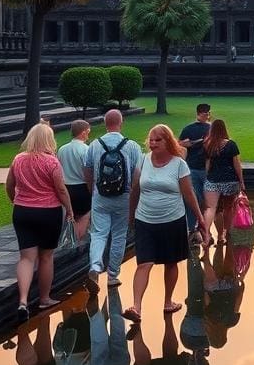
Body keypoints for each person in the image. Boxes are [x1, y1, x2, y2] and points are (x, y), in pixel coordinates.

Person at [123, 124, 206, 324]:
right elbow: (135, 190)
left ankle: (168, 301)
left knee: (171, 262)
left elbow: (189, 194)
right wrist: (131, 215)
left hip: (172, 220)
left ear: (168, 141)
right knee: (144, 263)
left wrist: (200, 219)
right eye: (150, 139)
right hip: (145, 220)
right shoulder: (143, 161)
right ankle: (136, 307)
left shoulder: (179, 164)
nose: (152, 143)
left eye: (157, 140)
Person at [7, 123, 74, 321]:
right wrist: (69, 209)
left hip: (22, 211)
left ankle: (22, 300)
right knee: (46, 257)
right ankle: (44, 298)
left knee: (26, 258)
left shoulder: (18, 159)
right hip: (48, 212)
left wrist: (15, 201)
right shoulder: (51, 162)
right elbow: (61, 189)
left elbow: (10, 185)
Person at [84, 109, 142, 293]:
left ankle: (94, 266)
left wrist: (91, 188)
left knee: (99, 233)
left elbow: (87, 169)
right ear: (121, 122)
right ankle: (112, 275)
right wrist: (134, 194)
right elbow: (137, 174)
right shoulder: (131, 146)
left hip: (100, 195)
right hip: (124, 196)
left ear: (105, 123)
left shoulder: (94, 144)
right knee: (118, 234)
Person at [202, 119, 246, 246]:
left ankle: (213, 235)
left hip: (213, 180)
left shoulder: (208, 144)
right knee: (228, 208)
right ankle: (226, 232)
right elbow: (237, 164)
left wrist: (207, 177)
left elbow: (207, 164)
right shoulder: (231, 145)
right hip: (230, 180)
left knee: (214, 209)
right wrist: (241, 181)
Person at [178, 103, 212, 239]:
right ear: (202, 114)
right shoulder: (211, 129)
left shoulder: (188, 129)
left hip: (192, 168)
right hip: (205, 169)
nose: (208, 115)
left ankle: (194, 228)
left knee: (193, 200)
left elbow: (179, 144)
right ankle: (203, 229)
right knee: (206, 202)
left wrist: (186, 144)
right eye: (207, 113)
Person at [58, 119, 92, 240]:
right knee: (85, 216)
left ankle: (71, 238)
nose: (88, 135)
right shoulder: (86, 149)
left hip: (67, 188)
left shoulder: (62, 149)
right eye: (88, 132)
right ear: (83, 133)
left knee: (72, 215)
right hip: (82, 187)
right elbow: (89, 171)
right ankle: (77, 240)